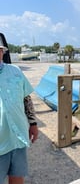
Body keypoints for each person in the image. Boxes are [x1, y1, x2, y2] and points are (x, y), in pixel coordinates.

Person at [0, 35, 39, 184]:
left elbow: (26, 99)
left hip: (18, 138)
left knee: (17, 177)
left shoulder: (15, 71)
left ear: (3, 52)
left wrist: (33, 124)